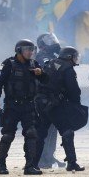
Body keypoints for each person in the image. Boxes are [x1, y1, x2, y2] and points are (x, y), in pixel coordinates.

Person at [0, 39, 44, 175]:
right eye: (27, 49)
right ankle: (1, 163)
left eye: (32, 49)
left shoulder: (34, 64)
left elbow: (45, 80)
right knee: (8, 134)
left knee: (31, 133)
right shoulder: (9, 64)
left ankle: (30, 165)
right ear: (19, 50)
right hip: (12, 105)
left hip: (29, 105)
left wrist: (41, 73)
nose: (30, 52)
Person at [35, 47, 86, 172]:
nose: (75, 59)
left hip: (41, 103)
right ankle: (72, 163)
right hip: (54, 105)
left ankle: (32, 163)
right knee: (67, 131)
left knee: (41, 133)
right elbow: (73, 90)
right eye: (74, 56)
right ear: (69, 57)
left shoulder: (51, 63)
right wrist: (75, 104)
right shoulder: (67, 68)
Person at [34, 32, 63, 169]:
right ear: (42, 45)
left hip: (52, 97)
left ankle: (49, 156)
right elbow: (51, 70)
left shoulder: (52, 57)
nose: (53, 42)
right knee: (45, 129)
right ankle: (42, 158)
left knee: (52, 129)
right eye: (49, 41)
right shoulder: (42, 57)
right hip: (44, 98)